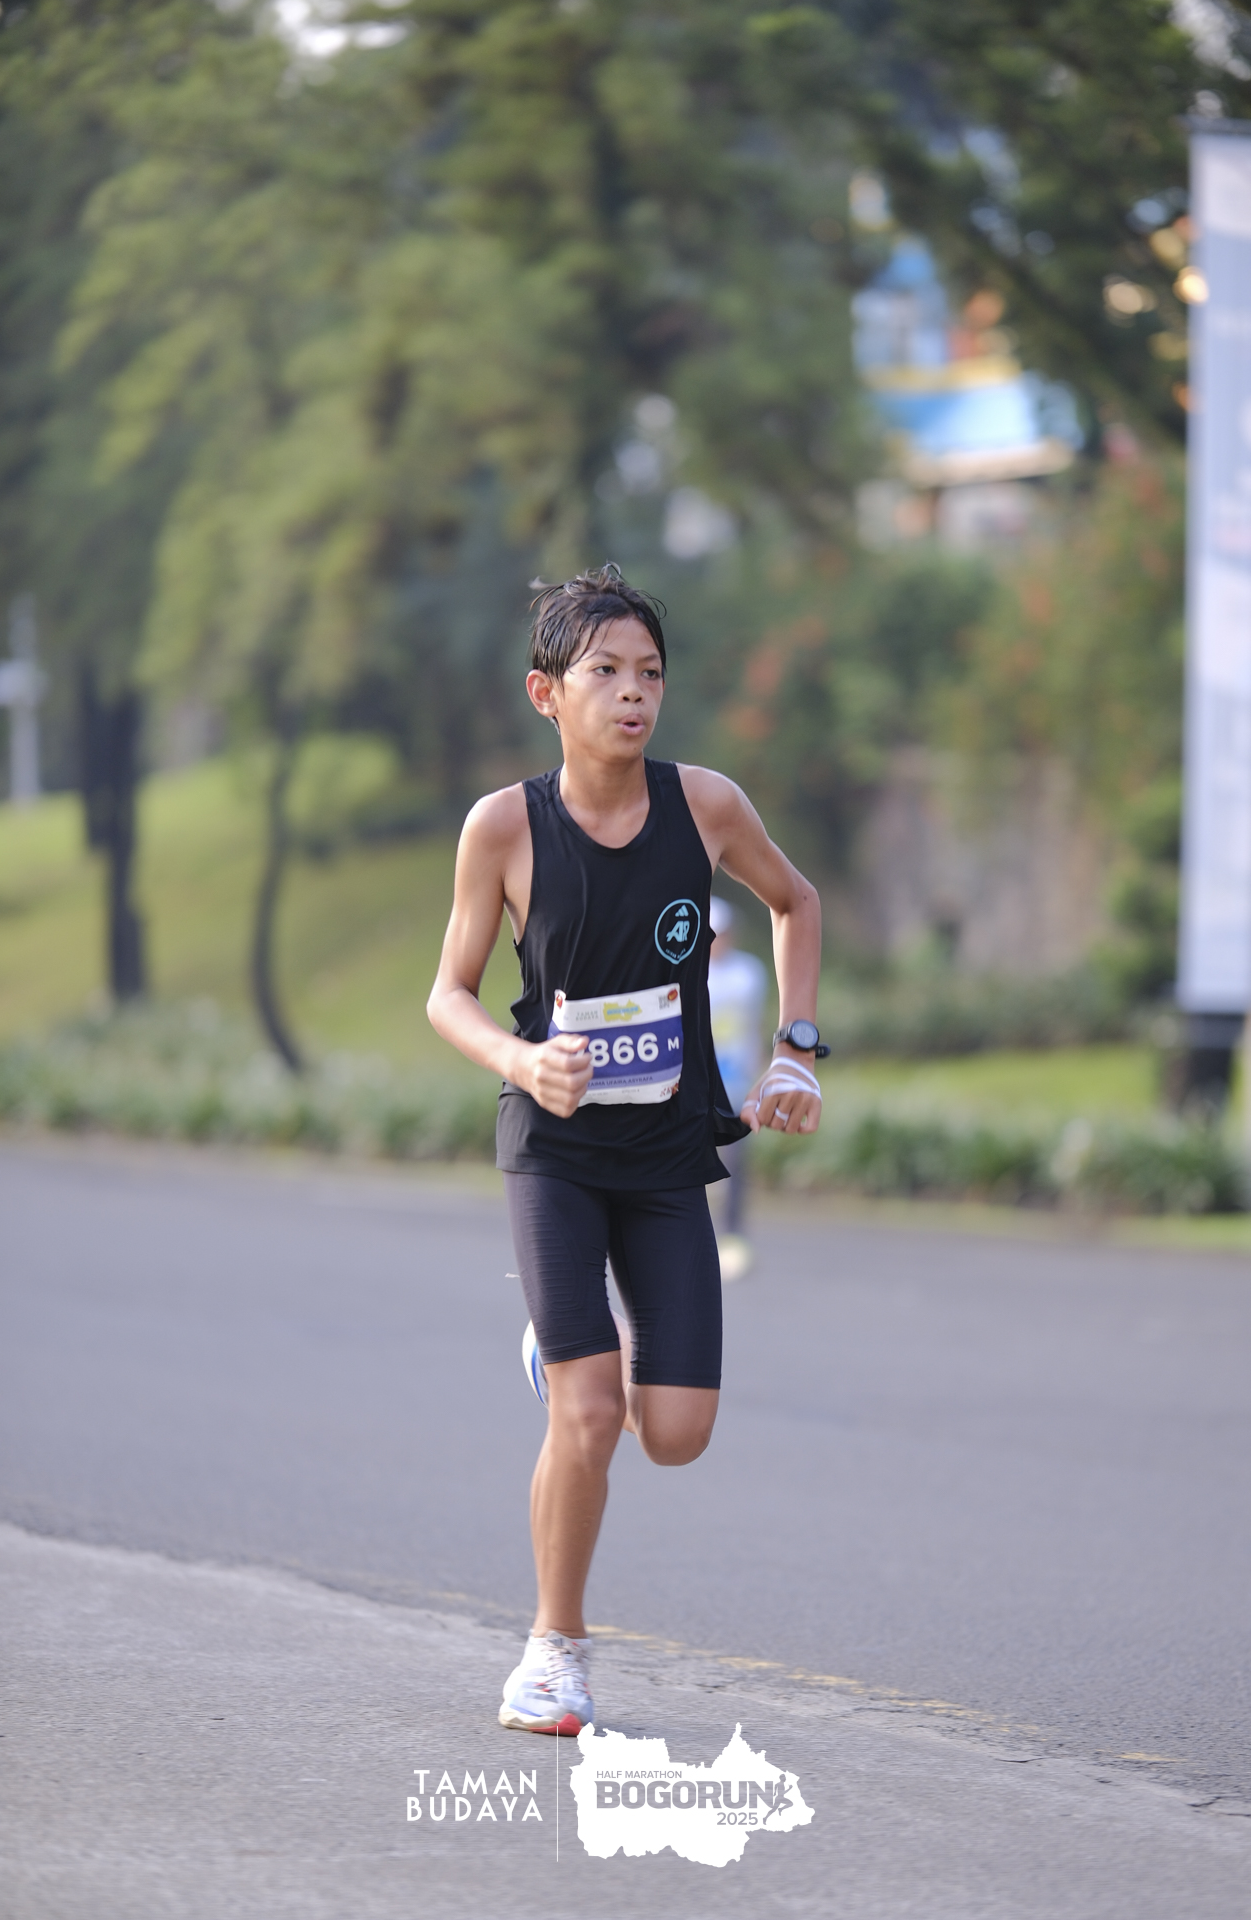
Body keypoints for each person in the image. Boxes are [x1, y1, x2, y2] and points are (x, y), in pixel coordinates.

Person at [427, 564, 826, 1738]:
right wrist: (519, 1062)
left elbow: (795, 903)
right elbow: (447, 995)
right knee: (591, 1415)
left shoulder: (703, 807)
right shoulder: (504, 827)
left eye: (649, 672)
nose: (633, 692)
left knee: (676, 1435)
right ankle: (551, 1655)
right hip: (552, 1151)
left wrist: (795, 1051)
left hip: (664, 1154)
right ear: (546, 693)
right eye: (604, 671)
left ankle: (562, 1356)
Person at [707, 896, 767, 1283]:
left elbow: (754, 1027)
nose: (719, 940)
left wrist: (760, 1076)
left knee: (734, 1164)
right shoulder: (688, 972)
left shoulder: (748, 973)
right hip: (695, 1085)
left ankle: (731, 1237)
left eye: (724, 933)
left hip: (735, 1084)